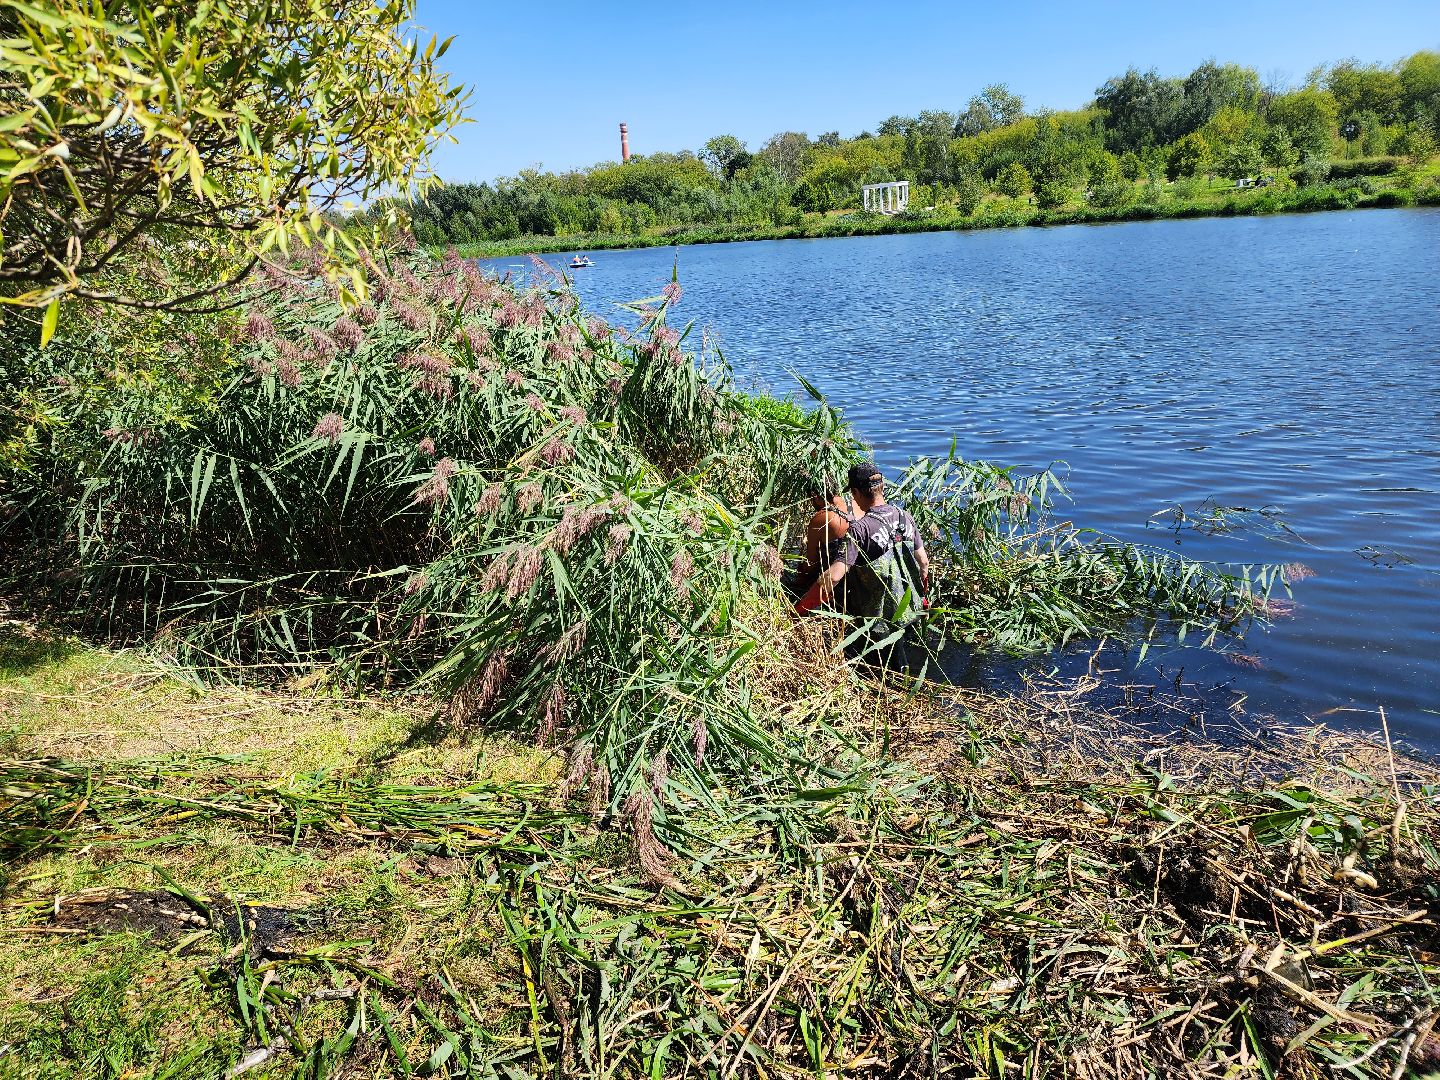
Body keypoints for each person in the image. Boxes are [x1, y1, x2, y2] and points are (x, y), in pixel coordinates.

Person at [795, 462, 931, 667]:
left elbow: (833, 576)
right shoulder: (905, 517)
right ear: (882, 487)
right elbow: (924, 562)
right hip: (910, 608)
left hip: (881, 621)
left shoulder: (861, 530)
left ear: (856, 492)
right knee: (909, 660)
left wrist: (801, 608)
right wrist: (923, 597)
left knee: (888, 670)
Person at [783, 486, 855, 602]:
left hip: (834, 584)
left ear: (815, 496)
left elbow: (811, 564)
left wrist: (799, 574)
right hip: (853, 579)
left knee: (791, 589)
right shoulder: (851, 504)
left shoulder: (821, 518)